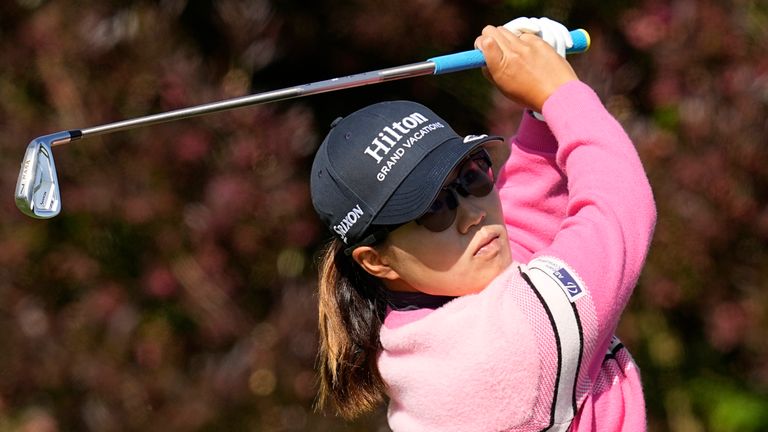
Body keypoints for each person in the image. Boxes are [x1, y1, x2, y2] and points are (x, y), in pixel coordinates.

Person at [309, 17, 656, 432]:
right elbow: (619, 207)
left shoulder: (422, 326)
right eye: (433, 209)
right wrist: (560, 92)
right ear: (376, 260)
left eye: (471, 176)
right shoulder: (501, 353)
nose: (474, 213)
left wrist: (541, 109)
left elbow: (525, 227)